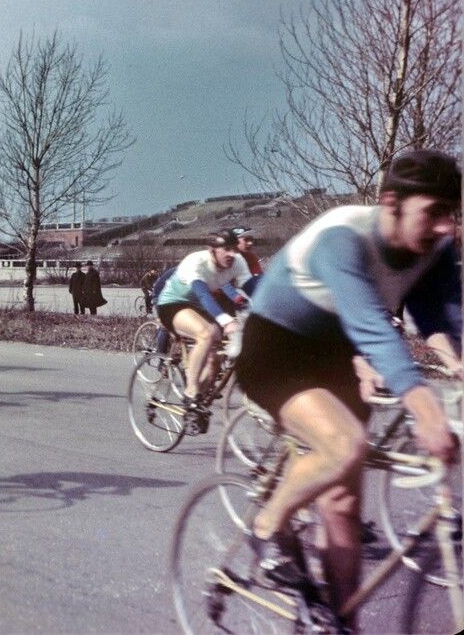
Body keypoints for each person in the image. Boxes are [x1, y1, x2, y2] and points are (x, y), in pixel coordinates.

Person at [235, 149, 461, 627]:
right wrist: (425, 409)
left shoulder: (434, 249)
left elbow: (440, 318)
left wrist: (457, 360)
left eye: (453, 213)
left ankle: (340, 623)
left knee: (342, 506)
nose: (447, 227)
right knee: (344, 445)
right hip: (275, 350)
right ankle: (268, 524)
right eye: (435, 212)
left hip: (334, 355)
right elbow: (372, 326)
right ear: (391, 202)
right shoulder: (342, 237)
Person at [155, 230, 251, 414]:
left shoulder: (237, 261)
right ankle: (191, 391)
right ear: (212, 250)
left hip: (199, 307)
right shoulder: (196, 262)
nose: (232, 254)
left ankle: (196, 405)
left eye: (234, 249)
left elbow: (253, 287)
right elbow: (203, 294)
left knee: (216, 359)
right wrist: (226, 322)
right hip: (172, 304)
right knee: (206, 333)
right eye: (226, 249)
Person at [231, 225, 263, 296]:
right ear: (234, 241)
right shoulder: (227, 259)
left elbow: (259, 278)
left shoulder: (251, 257)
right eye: (246, 240)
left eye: (251, 239)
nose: (250, 243)